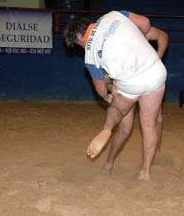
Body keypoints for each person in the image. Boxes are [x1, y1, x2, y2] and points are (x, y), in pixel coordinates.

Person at [64, 10, 168, 180]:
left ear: (78, 35)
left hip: (130, 84)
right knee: (149, 125)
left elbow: (99, 88)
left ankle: (107, 135)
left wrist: (107, 97)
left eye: (77, 43)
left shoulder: (90, 54)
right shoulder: (114, 15)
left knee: (117, 113)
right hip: (156, 74)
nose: (80, 47)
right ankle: (145, 172)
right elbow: (145, 22)